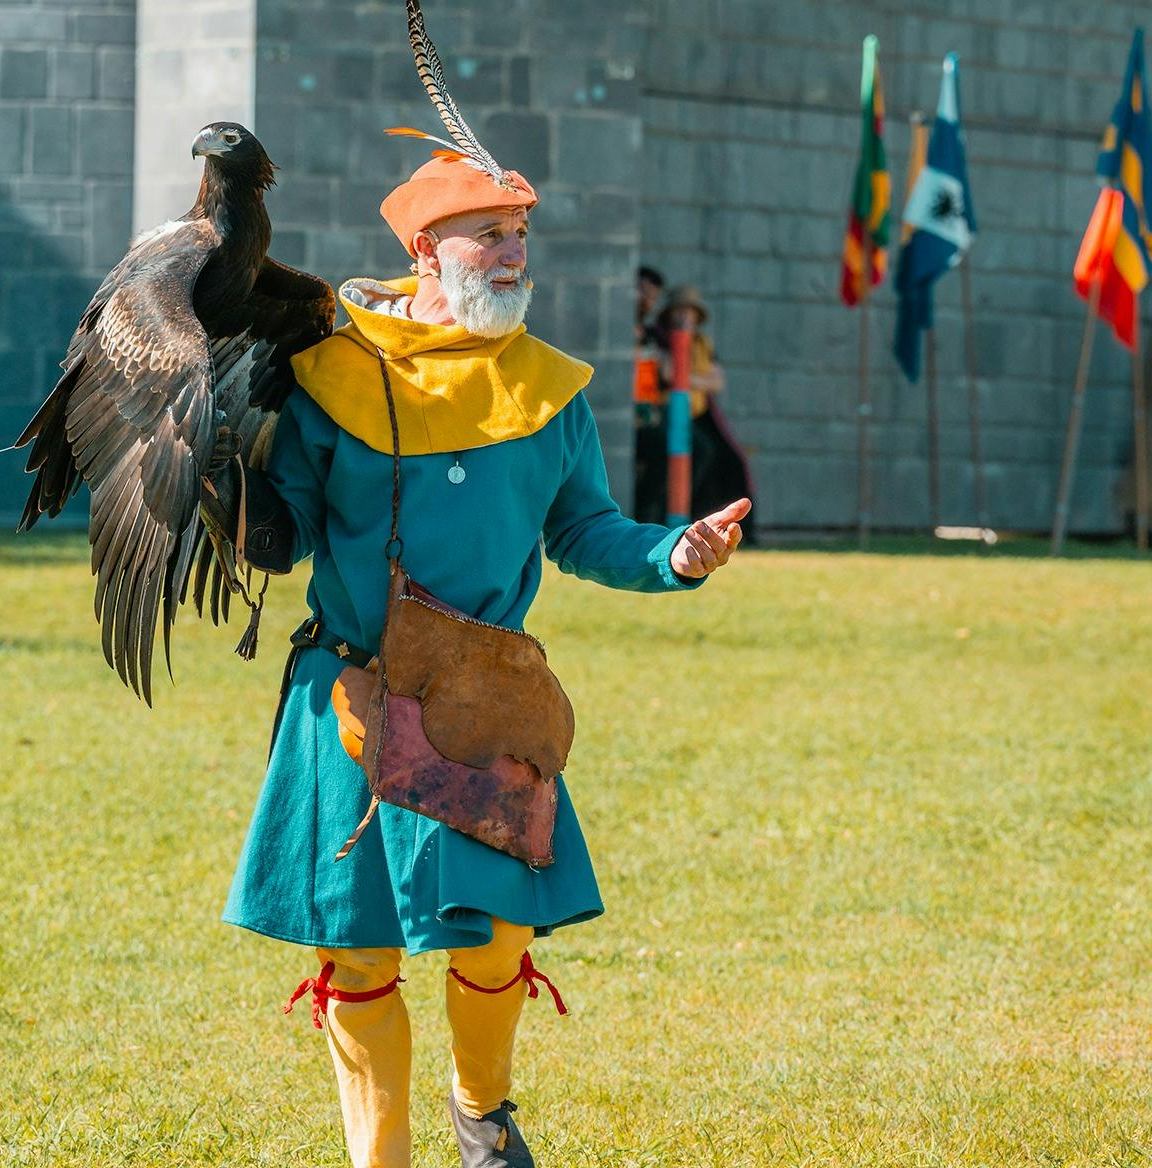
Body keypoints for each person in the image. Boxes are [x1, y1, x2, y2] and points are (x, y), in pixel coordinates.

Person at [205, 90, 751, 1168]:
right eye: (489, 237)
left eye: (520, 237)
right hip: (352, 697)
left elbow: (585, 528)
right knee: (356, 957)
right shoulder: (329, 377)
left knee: (495, 932)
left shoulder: (546, 392)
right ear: (424, 249)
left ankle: (480, 1109)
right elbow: (287, 530)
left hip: (485, 699)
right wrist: (230, 491)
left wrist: (674, 555)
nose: (513, 255)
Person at [652, 285, 757, 543]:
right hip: (667, 414)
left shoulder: (702, 343)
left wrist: (687, 378)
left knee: (731, 460)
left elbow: (717, 381)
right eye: (680, 311)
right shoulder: (659, 338)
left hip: (699, 413)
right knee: (697, 452)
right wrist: (695, 378)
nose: (685, 317)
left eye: (690, 312)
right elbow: (667, 373)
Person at [632, 265, 669, 525]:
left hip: (649, 414)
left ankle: (651, 516)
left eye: (652, 296)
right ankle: (644, 516)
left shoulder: (652, 334)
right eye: (643, 292)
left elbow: (670, 372)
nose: (647, 300)